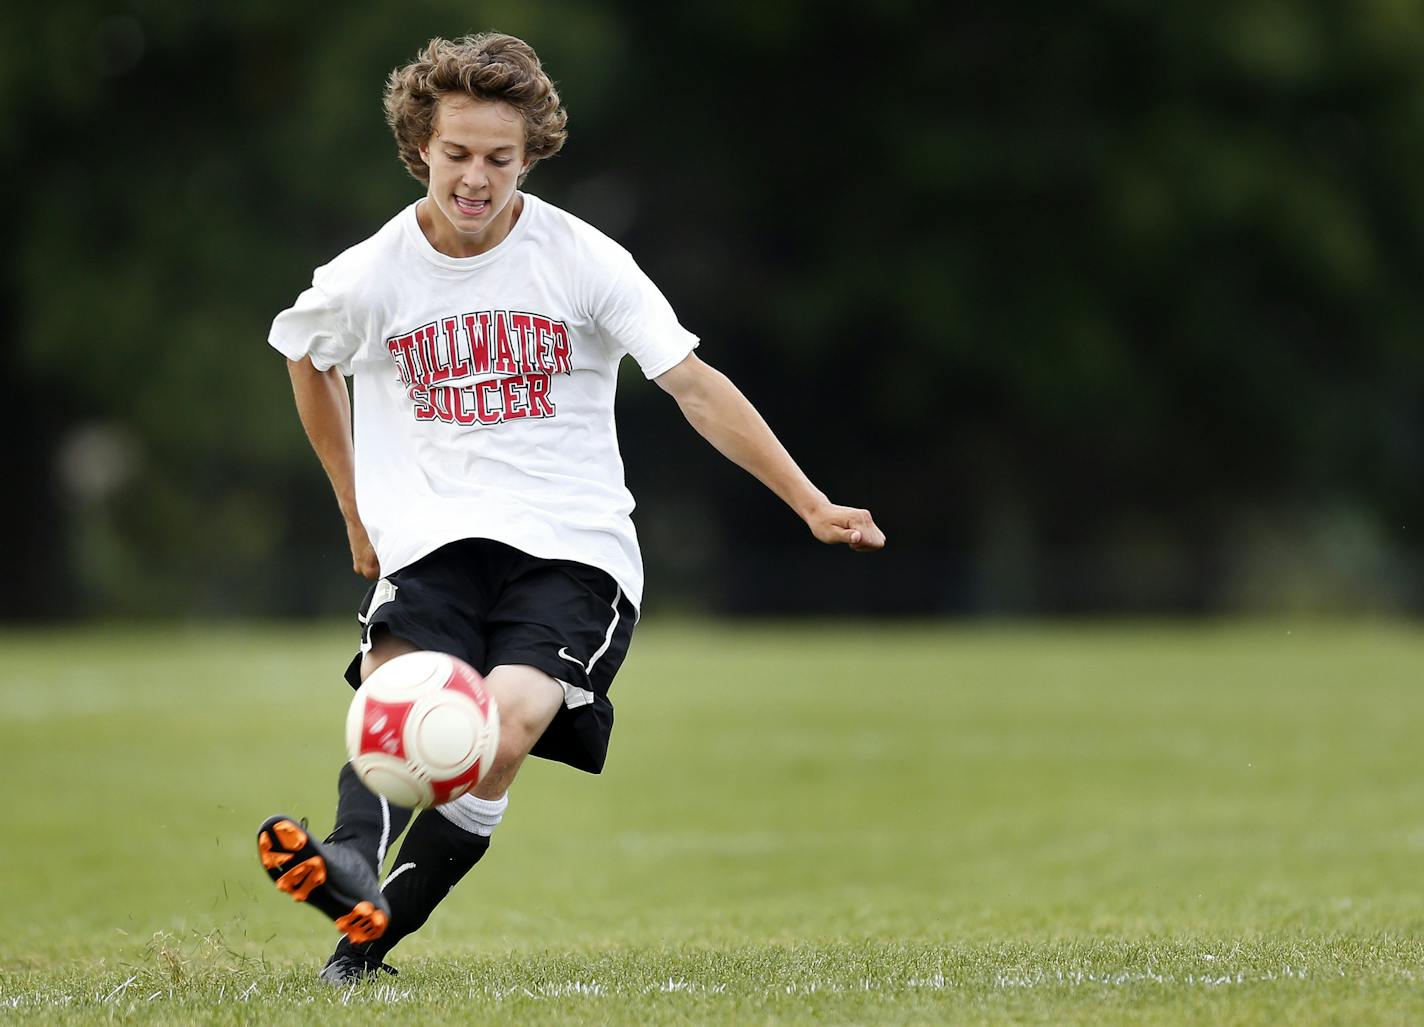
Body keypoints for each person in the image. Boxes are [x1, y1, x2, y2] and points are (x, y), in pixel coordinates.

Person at [257, 31, 885, 984]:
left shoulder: (582, 258)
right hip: (430, 537)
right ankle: (347, 861)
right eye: (456, 154)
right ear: (419, 143)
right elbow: (306, 357)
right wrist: (355, 507)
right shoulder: (372, 271)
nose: (475, 178)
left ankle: (367, 937)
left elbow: (695, 385)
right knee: (405, 689)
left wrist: (808, 501)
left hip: (569, 547)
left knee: (500, 730)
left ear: (531, 154)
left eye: (498, 160)